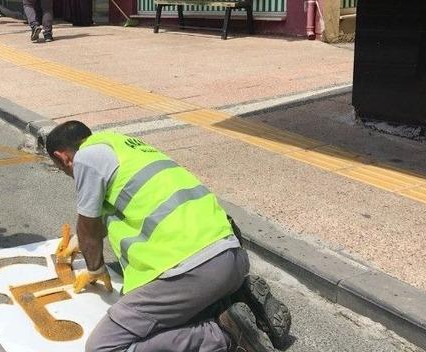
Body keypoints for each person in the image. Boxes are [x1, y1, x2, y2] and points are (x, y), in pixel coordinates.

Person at [46, 121, 291, 352]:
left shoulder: (86, 159)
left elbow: (88, 225)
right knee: (178, 316)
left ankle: (224, 333)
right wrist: (82, 239)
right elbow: (127, 210)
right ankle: (233, 299)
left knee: (103, 347)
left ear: (63, 158)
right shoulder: (123, 145)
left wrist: (95, 266)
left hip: (190, 272)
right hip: (231, 256)